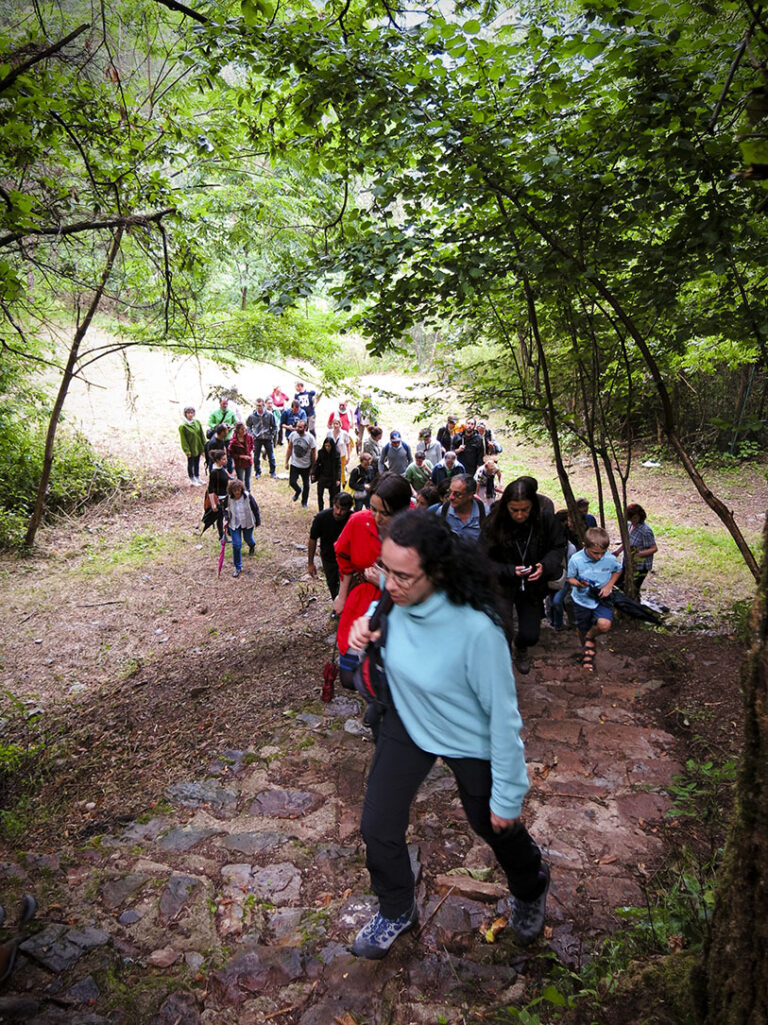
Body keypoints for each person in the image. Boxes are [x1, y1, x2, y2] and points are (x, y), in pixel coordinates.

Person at [347, 511, 549, 959]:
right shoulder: (393, 594)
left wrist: (509, 795)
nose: (390, 584)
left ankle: (531, 884)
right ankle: (397, 909)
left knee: (494, 825)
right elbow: (381, 611)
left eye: (402, 576)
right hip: (407, 719)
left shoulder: (477, 631)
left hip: (467, 735)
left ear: (436, 571)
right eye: (386, 570)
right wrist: (365, 624)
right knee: (377, 828)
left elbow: (503, 718)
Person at [333, 473, 412, 688]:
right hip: (363, 598)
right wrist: (342, 596)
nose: (376, 518)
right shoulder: (358, 521)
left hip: (401, 606)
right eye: (373, 508)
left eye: (384, 513)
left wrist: (386, 581)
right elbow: (343, 555)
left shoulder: (417, 529)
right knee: (349, 677)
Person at [481, 477, 567, 675]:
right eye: (514, 510)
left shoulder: (545, 519)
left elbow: (558, 546)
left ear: (533, 506)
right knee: (501, 629)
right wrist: (510, 570)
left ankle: (521, 648)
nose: (520, 515)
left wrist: (544, 566)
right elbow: (483, 559)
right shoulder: (494, 523)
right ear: (506, 507)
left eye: (525, 510)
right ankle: (500, 658)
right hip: (502, 583)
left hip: (532, 584)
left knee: (530, 634)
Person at [567, 526, 622, 671]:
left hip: (601, 600)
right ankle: (587, 655)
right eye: (595, 553)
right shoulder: (576, 559)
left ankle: (590, 636)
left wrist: (609, 586)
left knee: (604, 625)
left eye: (602, 553)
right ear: (585, 546)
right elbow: (570, 579)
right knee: (582, 628)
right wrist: (579, 584)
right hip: (582, 600)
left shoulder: (609, 559)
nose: (599, 556)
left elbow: (618, 570)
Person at [308, 492, 353, 598]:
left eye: (343, 510)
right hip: (329, 558)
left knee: (347, 587)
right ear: (333, 504)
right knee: (332, 585)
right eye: (337, 507)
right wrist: (310, 563)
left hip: (348, 559)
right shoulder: (321, 518)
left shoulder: (353, 519)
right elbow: (312, 539)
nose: (338, 512)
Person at [615, 504, 658, 593]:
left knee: (633, 589)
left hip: (639, 566)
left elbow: (654, 548)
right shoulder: (629, 526)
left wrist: (639, 554)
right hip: (627, 562)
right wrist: (618, 551)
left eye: (635, 518)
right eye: (631, 518)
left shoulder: (645, 531)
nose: (633, 520)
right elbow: (627, 542)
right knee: (619, 584)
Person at [224, 478, 257, 578]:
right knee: (236, 545)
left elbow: (255, 508)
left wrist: (258, 521)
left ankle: (252, 545)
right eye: (235, 491)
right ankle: (237, 567)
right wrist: (225, 519)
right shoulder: (229, 499)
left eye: (239, 490)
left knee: (248, 539)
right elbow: (225, 510)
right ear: (231, 491)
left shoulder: (247, 496)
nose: (237, 492)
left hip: (247, 522)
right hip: (235, 524)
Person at [438, 474, 485, 541]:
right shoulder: (443, 511)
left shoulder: (484, 514)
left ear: (470, 495)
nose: (451, 497)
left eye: (457, 494)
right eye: (450, 492)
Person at [285, 419, 317, 507]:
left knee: (306, 485)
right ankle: (298, 490)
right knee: (292, 482)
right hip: (295, 464)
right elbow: (289, 448)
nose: (298, 428)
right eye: (297, 426)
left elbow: (314, 453)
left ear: (305, 428)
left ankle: (304, 502)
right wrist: (286, 461)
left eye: (300, 427)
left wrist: (313, 467)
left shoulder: (310, 438)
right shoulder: (293, 435)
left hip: (306, 465)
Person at [246, 398, 277, 479]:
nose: (258, 407)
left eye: (260, 405)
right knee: (256, 456)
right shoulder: (252, 416)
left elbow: (274, 426)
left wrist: (272, 435)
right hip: (257, 438)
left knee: (271, 456)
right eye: (257, 406)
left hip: (267, 438)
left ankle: (273, 472)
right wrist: (252, 435)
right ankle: (257, 472)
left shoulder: (269, 415)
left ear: (263, 405)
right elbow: (248, 426)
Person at [206, 449, 231, 539]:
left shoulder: (222, 468)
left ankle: (228, 532)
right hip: (220, 499)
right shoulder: (214, 472)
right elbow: (211, 489)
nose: (226, 460)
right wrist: (213, 504)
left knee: (227, 516)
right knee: (220, 518)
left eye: (225, 458)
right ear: (218, 460)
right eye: (223, 459)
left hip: (226, 496)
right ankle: (222, 536)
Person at [178, 406, 205, 486]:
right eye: (188, 413)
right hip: (190, 448)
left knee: (197, 462)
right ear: (185, 414)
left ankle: (197, 477)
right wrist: (187, 450)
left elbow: (201, 435)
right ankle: (192, 478)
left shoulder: (197, 422)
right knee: (191, 463)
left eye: (192, 413)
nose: (190, 414)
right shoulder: (183, 426)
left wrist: (204, 447)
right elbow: (183, 440)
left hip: (198, 446)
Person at [313, 437, 341, 510]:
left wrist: (338, 479)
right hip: (323, 475)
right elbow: (317, 463)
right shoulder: (321, 452)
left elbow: (338, 467)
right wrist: (314, 474)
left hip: (332, 477)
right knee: (320, 494)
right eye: (326, 446)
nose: (327, 448)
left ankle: (331, 510)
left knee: (333, 496)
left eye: (329, 446)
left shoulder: (336, 453)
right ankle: (320, 510)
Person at [228, 422, 254, 491]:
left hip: (248, 462)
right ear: (238, 430)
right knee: (240, 480)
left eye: (245, 429)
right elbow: (231, 454)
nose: (244, 431)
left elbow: (252, 446)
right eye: (242, 429)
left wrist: (250, 453)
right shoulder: (233, 442)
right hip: (239, 463)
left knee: (247, 479)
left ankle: (248, 493)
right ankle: (241, 492)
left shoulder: (249, 437)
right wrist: (241, 456)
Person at [327, 416, 351, 487]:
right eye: (333, 424)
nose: (335, 425)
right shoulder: (329, 433)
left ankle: (343, 484)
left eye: (337, 424)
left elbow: (348, 445)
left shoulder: (344, 433)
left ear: (340, 424)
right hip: (331, 456)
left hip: (341, 455)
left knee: (342, 472)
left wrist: (348, 457)